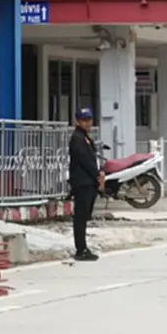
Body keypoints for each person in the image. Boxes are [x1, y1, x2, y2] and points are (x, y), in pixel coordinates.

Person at [68, 108, 104, 262]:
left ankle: (83, 247)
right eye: (84, 120)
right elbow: (85, 161)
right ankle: (81, 249)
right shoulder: (77, 138)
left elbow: (92, 159)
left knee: (84, 216)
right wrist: (97, 175)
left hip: (89, 182)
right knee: (80, 218)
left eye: (89, 120)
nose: (87, 123)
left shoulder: (85, 137)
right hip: (82, 182)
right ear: (77, 122)